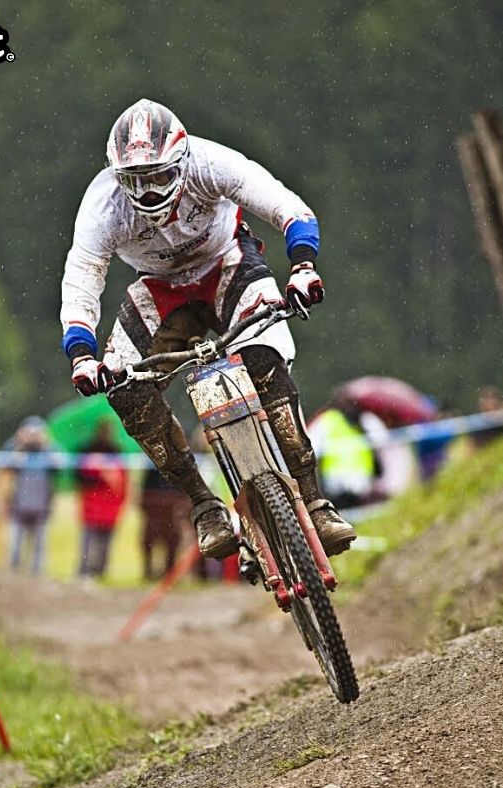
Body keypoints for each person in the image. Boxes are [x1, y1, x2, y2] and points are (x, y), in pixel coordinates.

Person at [60, 98, 356, 560]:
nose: (150, 190)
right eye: (136, 180)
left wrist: (302, 266)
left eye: (158, 175)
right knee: (127, 393)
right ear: (118, 176)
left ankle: (314, 500)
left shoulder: (210, 162)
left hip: (229, 264)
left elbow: (284, 206)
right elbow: (83, 276)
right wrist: (81, 352)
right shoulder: (103, 204)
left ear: (180, 160)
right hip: (159, 290)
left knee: (263, 360)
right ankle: (205, 506)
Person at [77, 421, 128, 577]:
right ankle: (86, 570)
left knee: (104, 540)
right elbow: (82, 479)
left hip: (109, 505)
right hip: (94, 505)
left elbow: (122, 483)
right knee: (90, 540)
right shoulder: (87, 452)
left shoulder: (117, 453)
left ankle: (100, 570)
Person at [7, 416, 55, 574]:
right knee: (15, 545)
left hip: (41, 506)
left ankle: (37, 575)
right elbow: (3, 463)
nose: (33, 437)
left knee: (39, 546)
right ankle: (13, 573)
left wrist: (47, 444)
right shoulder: (16, 451)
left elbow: (60, 462)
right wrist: (18, 443)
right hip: (18, 505)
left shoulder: (48, 452)